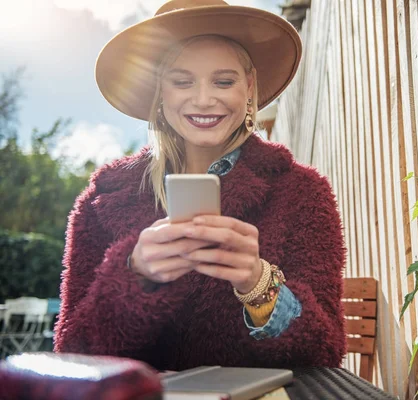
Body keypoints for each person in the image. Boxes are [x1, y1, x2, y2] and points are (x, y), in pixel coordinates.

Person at [53, 0, 347, 371]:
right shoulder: (101, 201)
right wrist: (135, 274)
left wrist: (258, 285)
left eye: (224, 81)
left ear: (250, 87)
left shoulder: (302, 192)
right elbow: (72, 351)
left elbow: (324, 351)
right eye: (182, 81)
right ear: (160, 92)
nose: (204, 99)